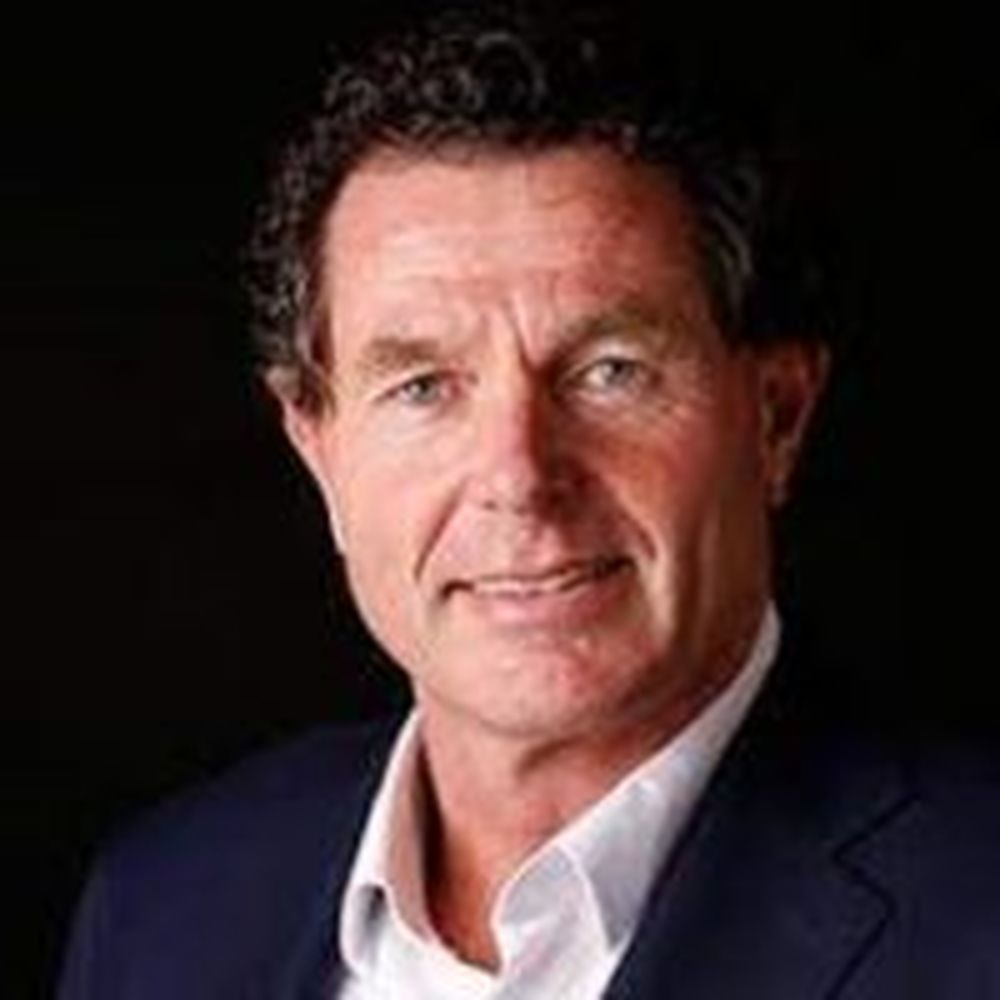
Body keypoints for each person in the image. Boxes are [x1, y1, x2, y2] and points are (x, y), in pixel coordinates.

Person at [59, 4, 1000, 998]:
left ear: (776, 417)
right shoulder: (164, 902)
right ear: (319, 452)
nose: (518, 477)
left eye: (610, 371)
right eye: (424, 387)